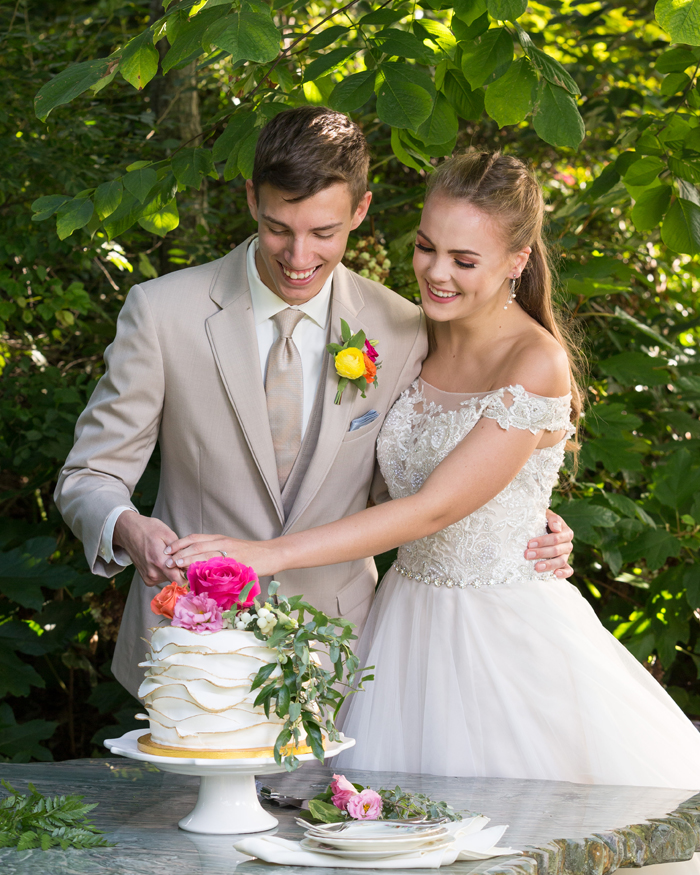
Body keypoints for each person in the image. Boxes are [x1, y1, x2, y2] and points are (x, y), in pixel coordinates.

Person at [167, 151, 700, 790]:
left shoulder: (535, 361)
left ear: (518, 261)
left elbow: (436, 507)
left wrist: (267, 555)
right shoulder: (409, 338)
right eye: (426, 248)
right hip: (401, 624)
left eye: (464, 260)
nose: (437, 273)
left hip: (498, 631)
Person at [54, 108, 573, 701]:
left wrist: (522, 519)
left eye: (324, 233)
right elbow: (88, 474)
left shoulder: (404, 328)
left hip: (342, 659)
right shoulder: (162, 313)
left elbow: (411, 491)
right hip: (191, 650)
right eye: (280, 228)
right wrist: (128, 527)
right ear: (252, 199)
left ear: (361, 210)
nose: (299, 256)